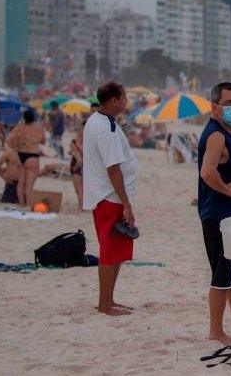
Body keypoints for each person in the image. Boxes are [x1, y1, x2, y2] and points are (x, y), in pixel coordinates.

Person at [198, 82, 231, 346]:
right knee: (222, 275)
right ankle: (216, 331)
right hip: (220, 217)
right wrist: (229, 192)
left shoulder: (227, 132)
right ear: (215, 106)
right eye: (229, 103)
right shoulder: (216, 135)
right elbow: (207, 172)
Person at [83, 82, 139, 316]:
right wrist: (126, 203)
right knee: (109, 249)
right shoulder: (107, 127)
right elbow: (113, 168)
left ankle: (109, 299)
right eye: (124, 97)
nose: (127, 102)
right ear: (114, 100)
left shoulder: (97, 120)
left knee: (115, 250)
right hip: (109, 196)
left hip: (104, 194)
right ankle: (104, 304)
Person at [70, 124, 84, 209]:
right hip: (86, 167)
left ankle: (80, 207)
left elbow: (79, 160)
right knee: (82, 189)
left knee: (78, 189)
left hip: (76, 166)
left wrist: (75, 168)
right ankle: (83, 206)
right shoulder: (89, 142)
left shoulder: (74, 142)